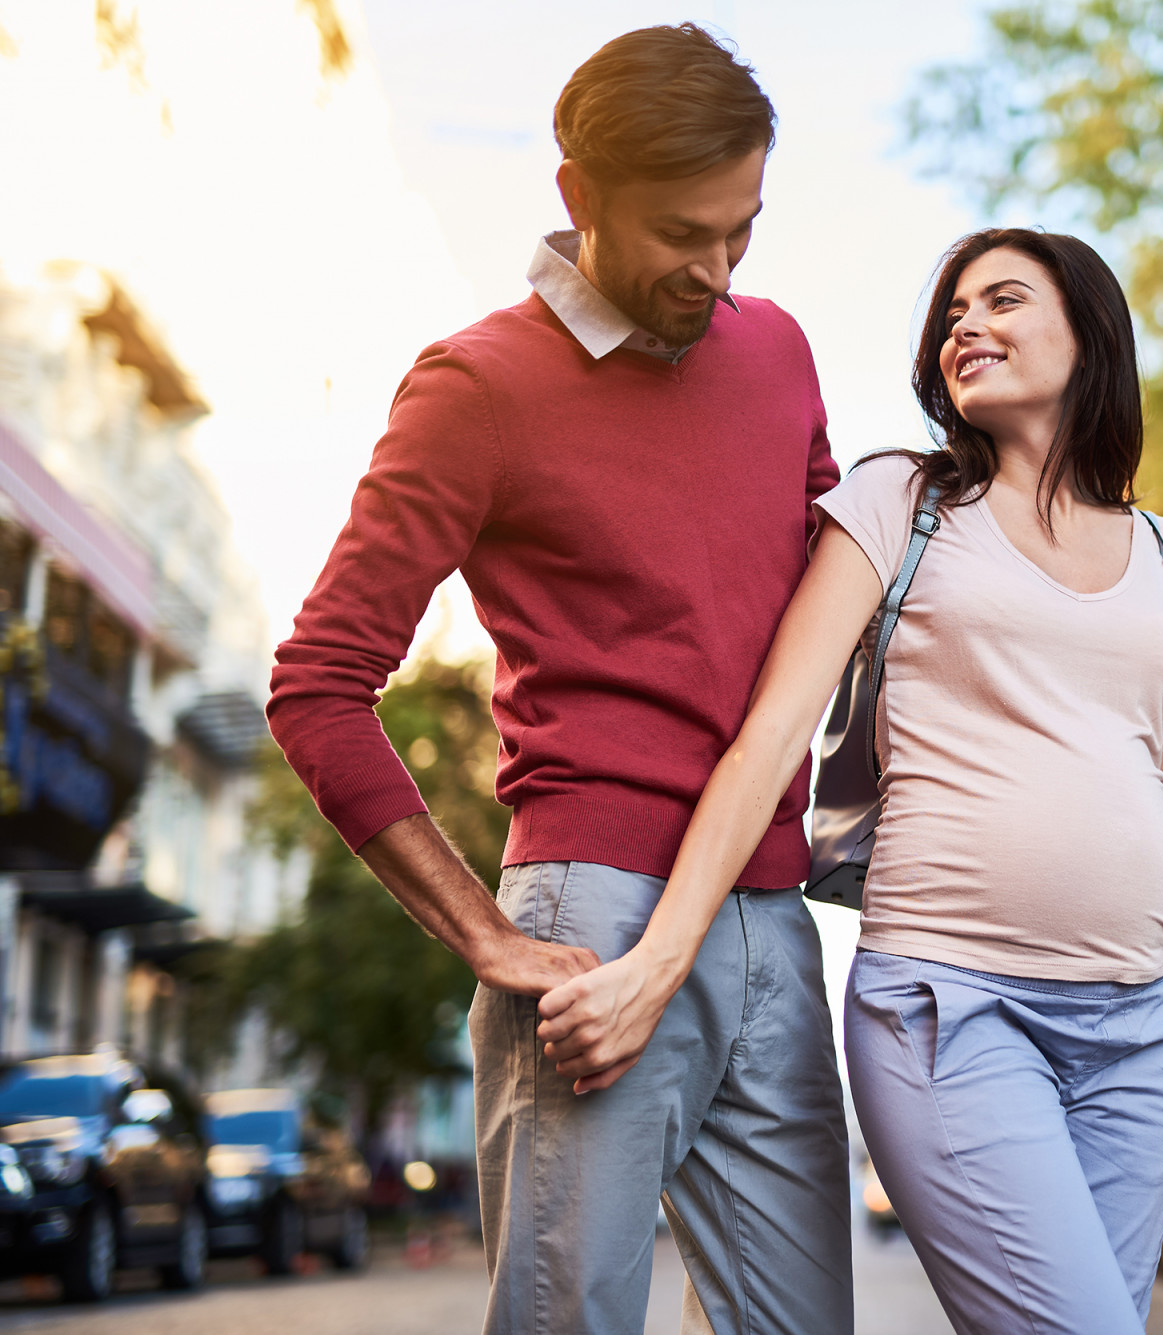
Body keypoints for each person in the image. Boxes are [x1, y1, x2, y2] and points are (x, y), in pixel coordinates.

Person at [537, 227, 1163, 1333]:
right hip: (954, 1011)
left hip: (1143, 1038)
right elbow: (770, 737)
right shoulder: (900, 504)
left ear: (1090, 332)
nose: (968, 325)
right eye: (953, 314)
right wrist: (659, 959)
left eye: (1003, 300)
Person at [265, 26, 851, 1335]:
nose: (716, 269)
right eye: (682, 233)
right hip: (595, 916)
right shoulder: (478, 387)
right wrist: (485, 931)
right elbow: (317, 682)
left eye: (742, 230)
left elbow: (835, 607)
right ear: (579, 196)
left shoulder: (782, 354)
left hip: (772, 911)